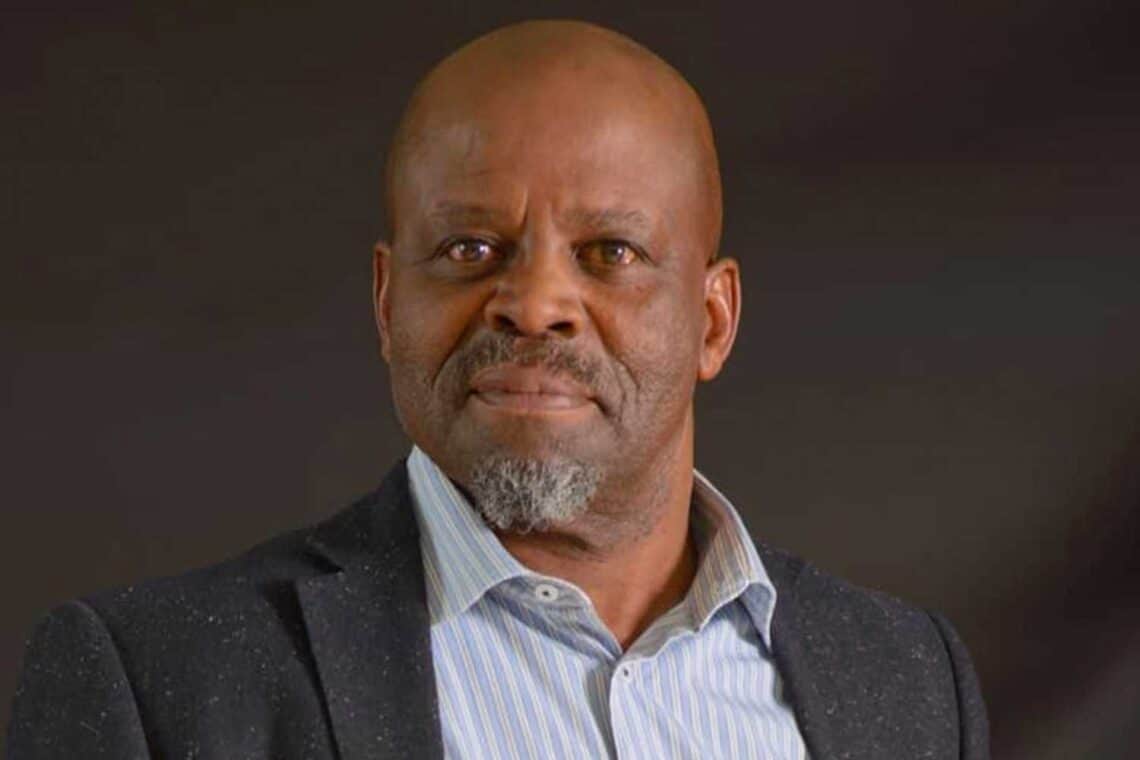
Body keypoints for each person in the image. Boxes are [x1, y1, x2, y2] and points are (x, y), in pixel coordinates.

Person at [6, 20, 989, 760]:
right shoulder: (158, 686)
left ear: (713, 321)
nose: (533, 304)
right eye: (471, 248)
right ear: (388, 302)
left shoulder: (909, 682)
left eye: (610, 252)